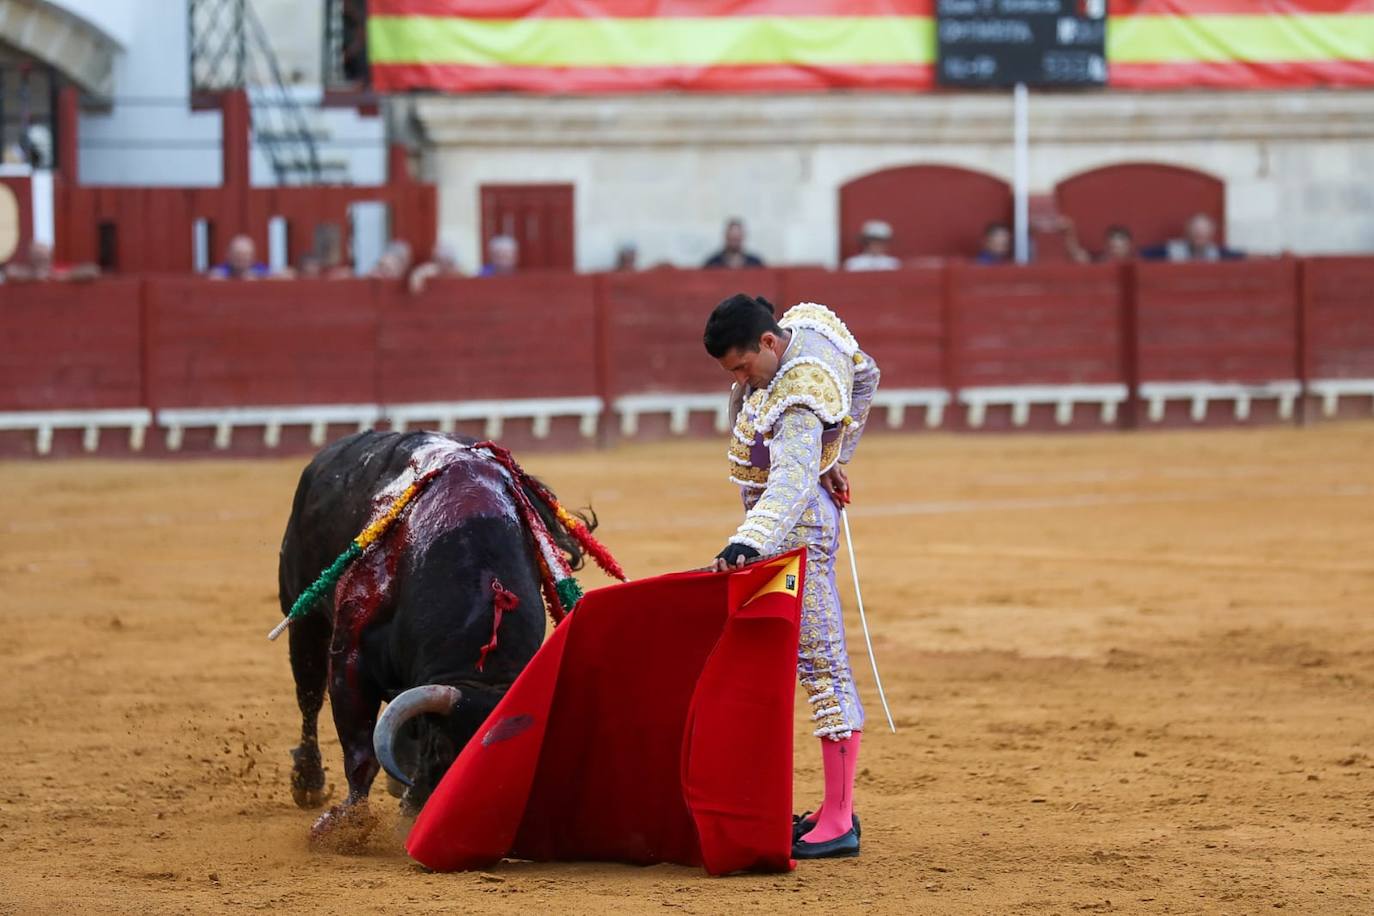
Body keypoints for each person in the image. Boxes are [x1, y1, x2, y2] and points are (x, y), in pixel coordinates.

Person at [703, 294, 880, 860]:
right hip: (788, 525)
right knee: (799, 661)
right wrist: (838, 454)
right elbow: (867, 373)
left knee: (823, 665)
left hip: (797, 532)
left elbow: (791, 482)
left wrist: (747, 541)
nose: (739, 381)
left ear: (768, 343)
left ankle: (839, 821)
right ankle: (833, 810)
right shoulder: (808, 327)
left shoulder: (799, 395)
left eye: (741, 366)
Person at [1140, 213, 1244, 262]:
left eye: (1202, 235)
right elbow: (1141, 255)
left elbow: (1242, 257)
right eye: (1196, 234)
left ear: (1210, 235)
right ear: (1187, 233)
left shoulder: (1219, 253)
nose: (1199, 237)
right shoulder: (1169, 250)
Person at [4, 240, 98, 282]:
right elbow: (9, 272)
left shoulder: (60, 269)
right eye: (37, 258)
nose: (41, 261)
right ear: (31, 259)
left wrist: (66, 276)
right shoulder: (26, 271)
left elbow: (93, 270)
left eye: (44, 258)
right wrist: (34, 276)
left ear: (50, 257)